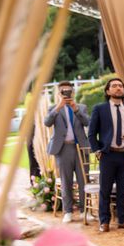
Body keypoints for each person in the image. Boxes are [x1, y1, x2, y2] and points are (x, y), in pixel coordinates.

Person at [88, 77, 124, 233]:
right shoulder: (99, 108)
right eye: (114, 86)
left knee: (123, 190)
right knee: (105, 190)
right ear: (108, 91)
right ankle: (104, 221)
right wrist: (97, 150)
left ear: (123, 91)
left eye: (120, 86)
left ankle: (123, 220)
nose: (118, 88)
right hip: (108, 155)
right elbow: (91, 133)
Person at [44, 81, 89, 223]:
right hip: (63, 148)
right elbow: (47, 122)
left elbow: (88, 122)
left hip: (80, 148)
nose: (66, 94)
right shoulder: (53, 108)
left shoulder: (81, 107)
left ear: (73, 92)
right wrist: (58, 107)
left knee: (83, 181)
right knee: (66, 181)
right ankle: (68, 211)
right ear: (58, 93)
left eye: (69, 91)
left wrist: (75, 109)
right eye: (63, 91)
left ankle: (84, 210)